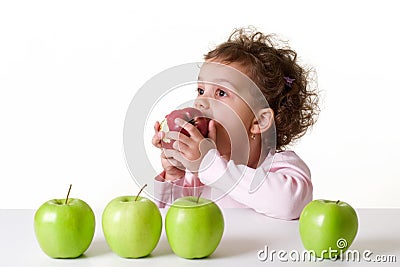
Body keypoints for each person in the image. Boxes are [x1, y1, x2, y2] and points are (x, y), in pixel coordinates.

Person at [151, 27, 319, 220]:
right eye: (200, 90)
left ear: (259, 121)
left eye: (221, 93)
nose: (200, 102)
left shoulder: (282, 168)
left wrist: (209, 165)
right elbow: (167, 219)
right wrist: (174, 174)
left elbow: (288, 205)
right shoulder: (198, 176)